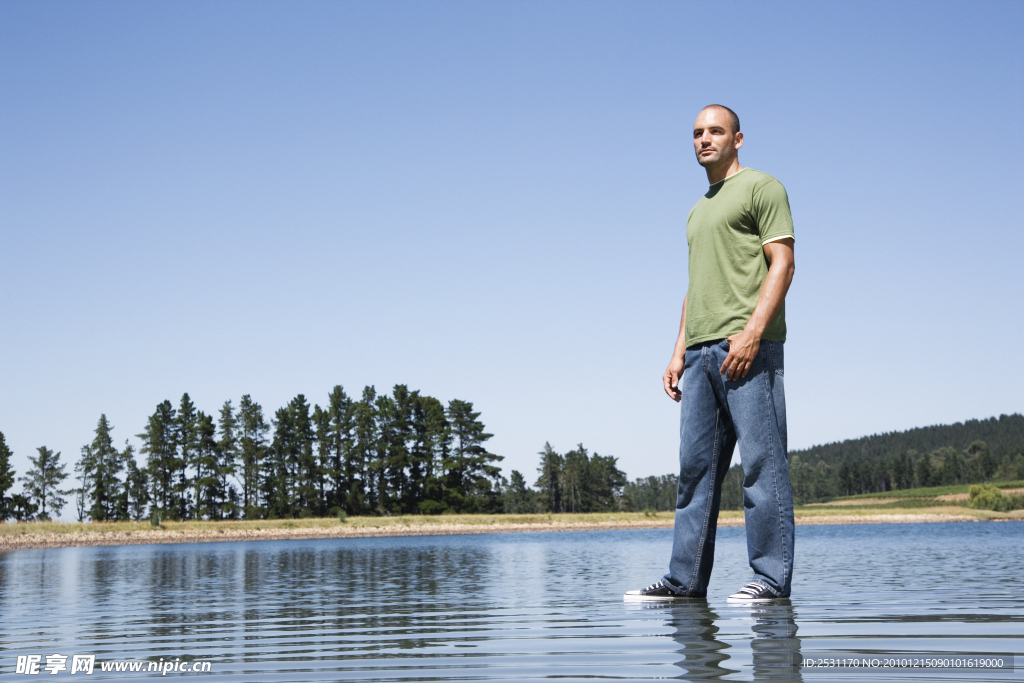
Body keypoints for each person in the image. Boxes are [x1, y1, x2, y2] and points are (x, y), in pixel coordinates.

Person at [625, 104, 796, 603]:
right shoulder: (697, 209)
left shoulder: (763, 188)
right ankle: (684, 582)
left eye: (715, 131)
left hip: (745, 348)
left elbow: (782, 264)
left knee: (762, 467)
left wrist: (752, 335)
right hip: (700, 355)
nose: (705, 139)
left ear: (738, 139)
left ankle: (769, 581)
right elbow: (695, 286)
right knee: (694, 472)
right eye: (697, 133)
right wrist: (678, 351)